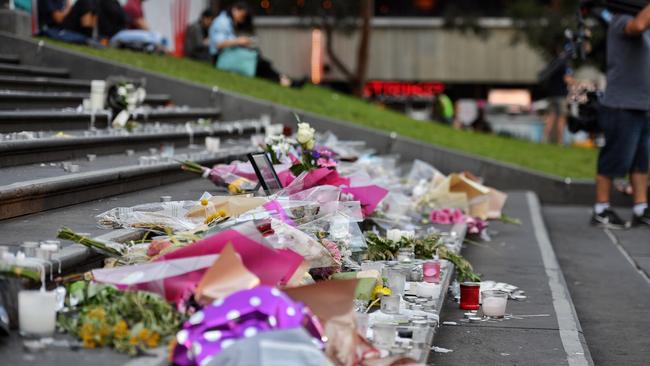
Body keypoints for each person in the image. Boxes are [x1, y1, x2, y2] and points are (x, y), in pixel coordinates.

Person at [591, 4, 650, 229]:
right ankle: (601, 209)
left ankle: (640, 208)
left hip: (641, 105)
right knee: (614, 158)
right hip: (621, 105)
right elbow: (639, 25)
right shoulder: (620, 20)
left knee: (641, 162)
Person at [209, 2, 306, 88]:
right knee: (259, 63)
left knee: (259, 59)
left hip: (227, 55)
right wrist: (239, 41)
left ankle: (285, 79)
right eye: (242, 16)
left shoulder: (227, 22)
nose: (241, 19)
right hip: (221, 58)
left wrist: (242, 43)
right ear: (235, 10)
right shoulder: (222, 22)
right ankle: (286, 81)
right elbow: (219, 44)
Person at [542, 54, 572, 145]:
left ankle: (544, 140)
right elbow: (567, 79)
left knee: (550, 118)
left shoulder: (552, 64)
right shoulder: (565, 65)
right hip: (561, 96)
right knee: (561, 119)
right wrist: (577, 82)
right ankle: (560, 142)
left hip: (551, 95)